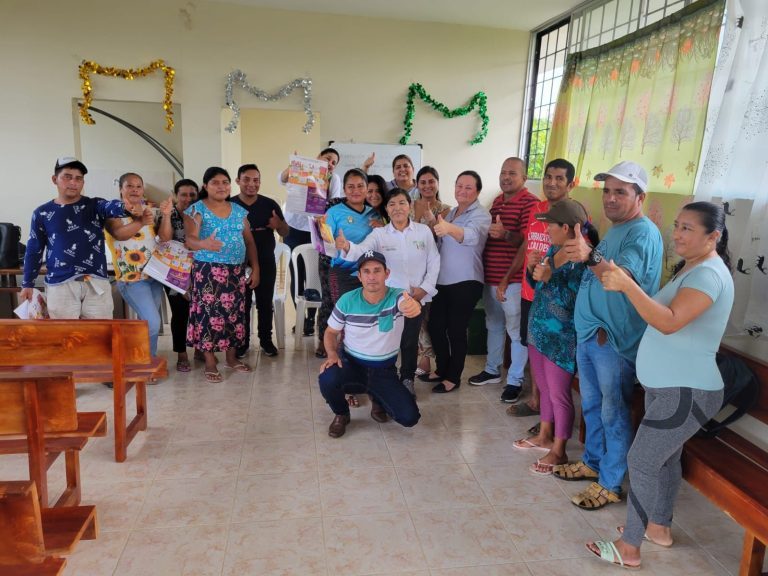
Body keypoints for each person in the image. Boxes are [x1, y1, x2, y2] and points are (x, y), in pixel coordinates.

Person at [586, 202, 733, 569]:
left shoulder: (709, 275)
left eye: (688, 229)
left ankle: (630, 546)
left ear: (713, 236)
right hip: (670, 387)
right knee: (663, 460)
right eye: (677, 225)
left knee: (642, 460)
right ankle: (659, 528)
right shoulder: (694, 268)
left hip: (686, 391)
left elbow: (669, 322)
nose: (677, 234)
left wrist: (628, 286)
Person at [553, 161, 663, 511]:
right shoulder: (615, 229)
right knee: (593, 407)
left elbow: (622, 277)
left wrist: (589, 254)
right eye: (608, 191)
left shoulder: (642, 232)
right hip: (590, 335)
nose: (611, 198)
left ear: (640, 197)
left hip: (613, 339)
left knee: (614, 410)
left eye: (621, 192)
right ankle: (593, 461)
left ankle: (611, 482)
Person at [506, 200, 597, 475]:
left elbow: (575, 298)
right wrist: (534, 270)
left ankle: (559, 449)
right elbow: (538, 284)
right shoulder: (553, 248)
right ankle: (544, 434)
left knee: (559, 394)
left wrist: (549, 275)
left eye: (551, 225)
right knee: (544, 388)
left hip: (562, 336)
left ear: (567, 227)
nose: (546, 230)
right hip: (539, 329)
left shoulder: (583, 257)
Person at [336, 188, 440, 397]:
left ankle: (407, 378)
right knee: (387, 340)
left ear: (409, 206)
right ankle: (385, 378)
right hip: (389, 300)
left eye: (402, 203)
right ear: (386, 209)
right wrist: (347, 246)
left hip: (417, 298)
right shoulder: (379, 234)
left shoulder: (423, 231)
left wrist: (423, 290)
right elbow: (362, 251)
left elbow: (434, 261)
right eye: (392, 204)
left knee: (410, 340)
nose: (397, 208)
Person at [501, 158, 577, 419]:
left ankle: (551, 415)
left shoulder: (575, 214)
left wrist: (549, 269)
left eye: (559, 179)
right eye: (548, 177)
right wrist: (509, 275)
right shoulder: (537, 208)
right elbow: (526, 246)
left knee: (551, 358)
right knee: (533, 349)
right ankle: (536, 401)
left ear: (571, 184)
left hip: (554, 298)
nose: (551, 183)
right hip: (528, 291)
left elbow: (576, 251)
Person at [318, 250, 422, 438]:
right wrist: (332, 355)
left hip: (384, 370)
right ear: (359, 276)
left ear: (387, 273)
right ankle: (341, 414)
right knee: (327, 377)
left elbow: (407, 303)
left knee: (409, 418)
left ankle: (377, 397)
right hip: (352, 365)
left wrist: (414, 306)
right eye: (366, 272)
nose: (372, 277)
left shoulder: (398, 296)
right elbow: (331, 332)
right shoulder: (347, 300)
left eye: (377, 271)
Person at [21, 157, 133, 318]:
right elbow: (34, 249)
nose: (73, 182)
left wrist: (124, 207)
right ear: (55, 179)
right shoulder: (42, 213)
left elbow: (110, 207)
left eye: (78, 178)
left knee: (99, 336)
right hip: (60, 284)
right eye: (67, 177)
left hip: (96, 282)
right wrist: (27, 283)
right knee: (66, 338)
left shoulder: (95, 205)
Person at [468, 157, 538, 405]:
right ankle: (492, 369)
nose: (506, 177)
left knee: (516, 331)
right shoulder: (497, 201)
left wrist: (506, 235)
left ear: (524, 177)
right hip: (492, 278)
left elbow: (529, 244)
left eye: (512, 173)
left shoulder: (532, 204)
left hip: (514, 281)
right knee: (493, 324)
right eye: (503, 172)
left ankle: (515, 381)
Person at [183, 167, 259, 383]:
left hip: (235, 272)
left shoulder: (238, 211)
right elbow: (190, 240)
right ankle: (209, 361)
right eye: (215, 182)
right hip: (207, 270)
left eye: (225, 182)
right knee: (208, 316)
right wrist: (204, 243)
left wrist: (256, 268)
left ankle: (232, 358)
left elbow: (250, 242)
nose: (221, 186)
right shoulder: (196, 210)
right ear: (205, 186)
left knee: (234, 316)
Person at [425, 171, 491, 393]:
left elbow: (471, 236)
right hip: (443, 280)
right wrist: (435, 225)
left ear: (478, 191)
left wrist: (448, 228)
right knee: (435, 327)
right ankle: (442, 368)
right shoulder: (451, 212)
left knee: (455, 329)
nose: (462, 190)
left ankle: (453, 376)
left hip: (467, 280)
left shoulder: (481, 214)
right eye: (459, 185)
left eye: (468, 187)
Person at [105, 172, 173, 358]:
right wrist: (140, 221)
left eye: (138, 186)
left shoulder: (147, 211)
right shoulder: (112, 212)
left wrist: (166, 216)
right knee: (151, 322)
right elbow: (120, 234)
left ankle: (147, 359)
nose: (134, 190)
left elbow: (164, 238)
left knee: (149, 322)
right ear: (120, 189)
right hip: (131, 279)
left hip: (153, 276)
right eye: (129, 186)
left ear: (143, 190)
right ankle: (143, 360)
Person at [279, 147, 342, 337]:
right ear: (318, 158)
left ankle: (311, 319)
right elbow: (282, 179)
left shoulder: (335, 179)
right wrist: (294, 167)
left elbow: (335, 203)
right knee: (296, 272)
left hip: (315, 228)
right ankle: (301, 317)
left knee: (314, 273)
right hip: (294, 227)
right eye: (328, 159)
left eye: (334, 162)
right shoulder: (303, 168)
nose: (330, 164)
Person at [316, 169, 375, 360]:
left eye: (360, 186)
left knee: (367, 317)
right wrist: (323, 231)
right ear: (344, 189)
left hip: (369, 274)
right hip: (342, 272)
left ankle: (364, 357)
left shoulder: (375, 212)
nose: (356, 190)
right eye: (351, 186)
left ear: (367, 188)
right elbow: (326, 242)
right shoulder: (334, 211)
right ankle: (341, 359)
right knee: (344, 317)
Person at [231, 163, 289, 358]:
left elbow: (285, 232)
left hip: (265, 261)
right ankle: (242, 342)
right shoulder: (230, 205)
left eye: (256, 180)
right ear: (238, 181)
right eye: (246, 179)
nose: (251, 184)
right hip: (238, 263)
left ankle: (266, 340)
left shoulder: (269, 204)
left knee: (265, 302)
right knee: (241, 304)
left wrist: (277, 224)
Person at [410, 165, 449, 378]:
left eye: (431, 181)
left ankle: (425, 359)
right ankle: (420, 356)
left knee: (428, 315)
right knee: (415, 313)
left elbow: (443, 239)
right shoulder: (408, 205)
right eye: (422, 182)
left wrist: (432, 220)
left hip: (434, 268)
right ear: (417, 185)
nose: (427, 186)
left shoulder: (446, 209)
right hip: (411, 267)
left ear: (437, 183)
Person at [160, 178, 199, 372]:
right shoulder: (168, 215)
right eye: (183, 194)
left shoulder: (201, 214)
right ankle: (182, 354)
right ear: (176, 196)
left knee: (200, 312)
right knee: (181, 312)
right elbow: (164, 239)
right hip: (173, 272)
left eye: (192, 194)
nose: (188, 198)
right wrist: (181, 284)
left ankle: (200, 349)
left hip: (199, 271)